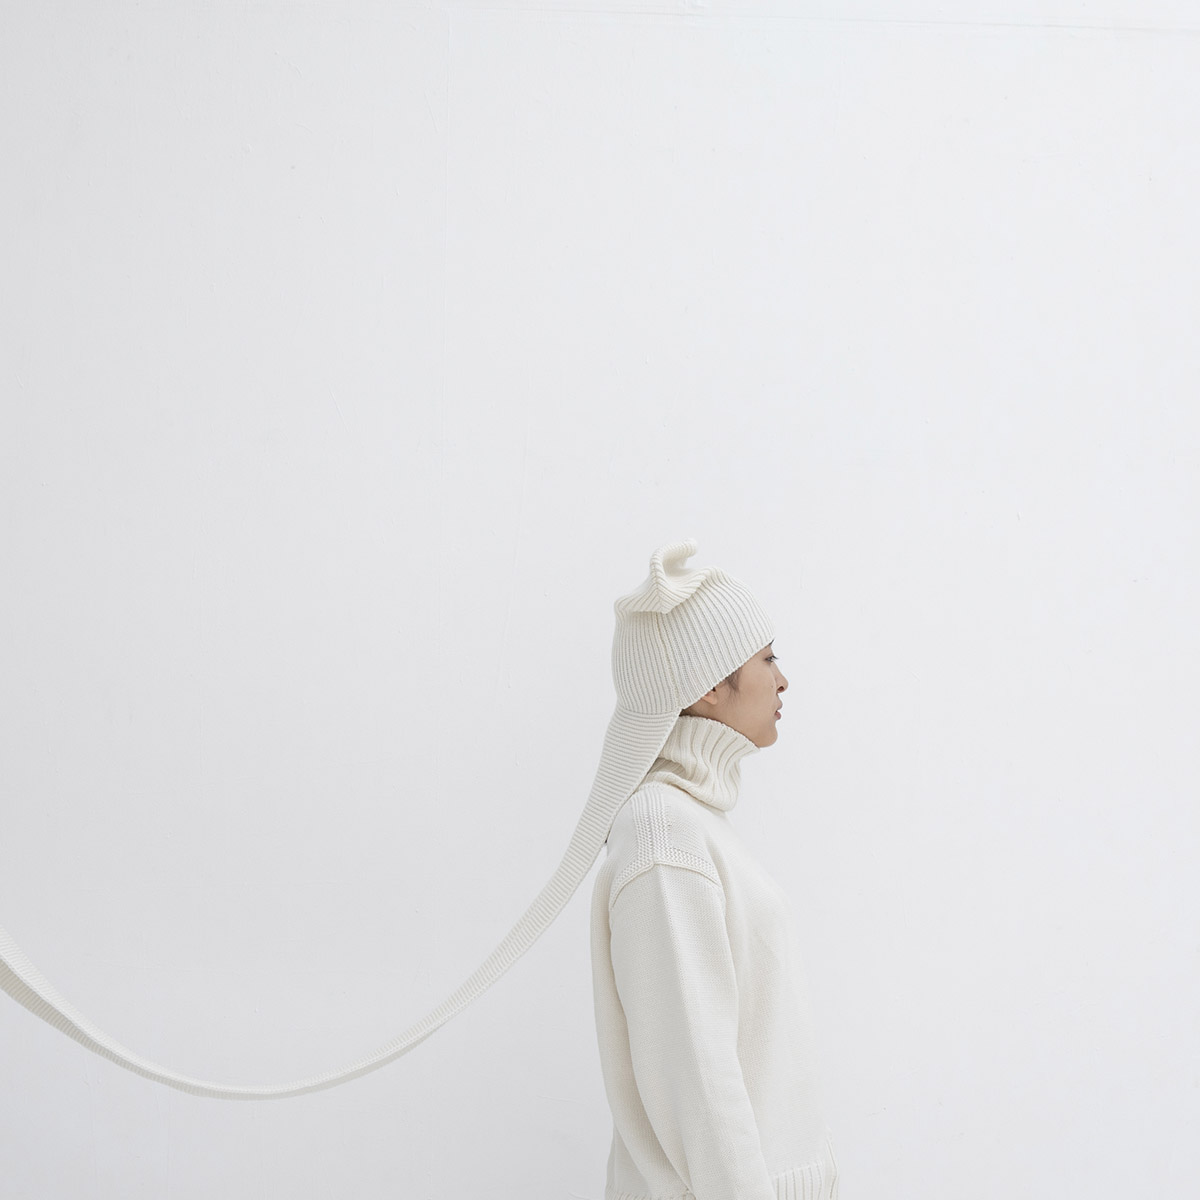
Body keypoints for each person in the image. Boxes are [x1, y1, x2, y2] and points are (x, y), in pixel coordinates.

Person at [590, 542, 838, 1200]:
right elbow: (697, 1078)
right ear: (707, 684)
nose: (782, 681)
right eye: (767, 659)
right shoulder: (663, 831)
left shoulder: (695, 825)